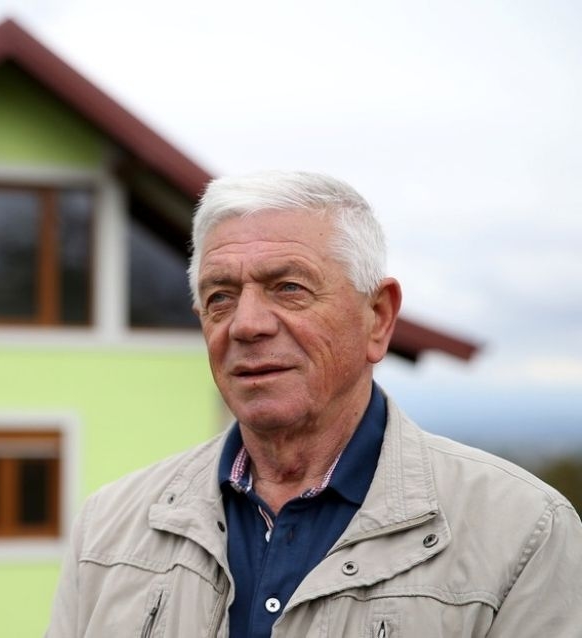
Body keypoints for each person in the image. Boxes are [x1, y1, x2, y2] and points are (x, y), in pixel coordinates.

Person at [46, 170, 582, 637]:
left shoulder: (523, 531)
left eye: (289, 288)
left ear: (378, 318)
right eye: (220, 297)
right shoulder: (108, 529)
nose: (247, 325)